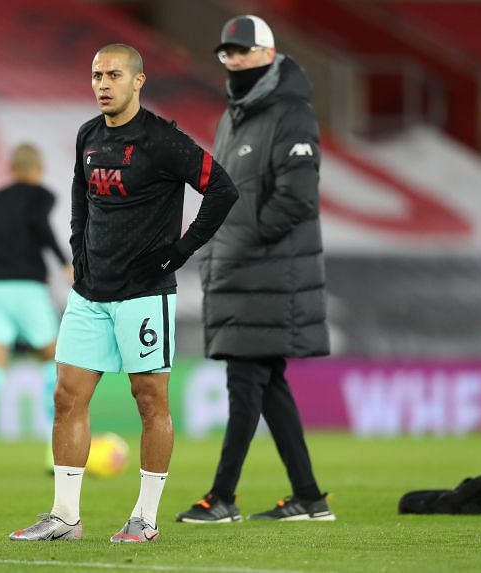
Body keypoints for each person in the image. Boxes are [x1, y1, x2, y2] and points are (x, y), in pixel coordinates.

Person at [10, 44, 239, 543]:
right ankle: (64, 517)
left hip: (143, 293)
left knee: (149, 399)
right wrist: (78, 253)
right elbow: (79, 199)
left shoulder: (162, 140)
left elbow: (223, 189)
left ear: (138, 81)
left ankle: (145, 517)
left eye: (113, 74)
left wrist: (180, 253)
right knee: (67, 395)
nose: (102, 84)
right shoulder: (88, 136)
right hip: (91, 292)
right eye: (96, 75)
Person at [175, 15, 334, 524]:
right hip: (242, 275)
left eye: (243, 51)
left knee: (247, 383)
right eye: (227, 52)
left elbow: (297, 200)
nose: (234, 60)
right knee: (267, 387)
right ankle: (309, 498)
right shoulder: (235, 117)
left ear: (268, 54)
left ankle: (222, 497)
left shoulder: (291, 114)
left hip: (267, 275)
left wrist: (239, 241)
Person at [0, 143, 73, 473]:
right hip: (25, 287)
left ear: (11, 168)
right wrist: (64, 262)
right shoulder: (40, 196)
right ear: (37, 169)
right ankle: (55, 451)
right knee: (52, 364)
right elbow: (40, 225)